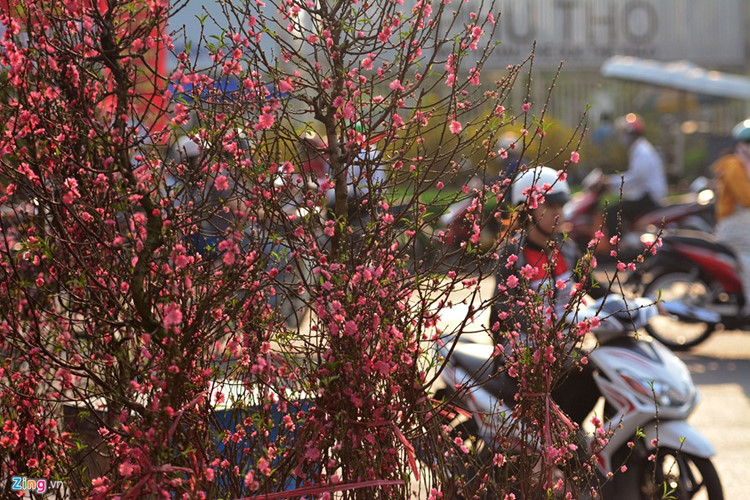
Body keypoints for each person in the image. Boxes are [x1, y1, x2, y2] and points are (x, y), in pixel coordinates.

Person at [491, 166, 602, 427]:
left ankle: (571, 442)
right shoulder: (512, 258)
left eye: (561, 205)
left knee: (602, 374)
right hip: (524, 361)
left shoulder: (567, 249)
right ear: (527, 210)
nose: (557, 212)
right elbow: (500, 314)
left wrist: (637, 305)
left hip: (561, 352)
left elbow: (595, 289)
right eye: (549, 206)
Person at [604, 113, 667, 239]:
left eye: (623, 133)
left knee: (612, 212)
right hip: (645, 194)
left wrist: (609, 182)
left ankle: (619, 246)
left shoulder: (642, 151)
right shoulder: (639, 149)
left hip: (649, 196)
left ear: (631, 134)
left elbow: (635, 178)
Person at [711, 119, 750, 316]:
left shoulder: (744, 166)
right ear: (742, 145)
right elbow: (746, 197)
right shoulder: (735, 166)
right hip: (735, 226)